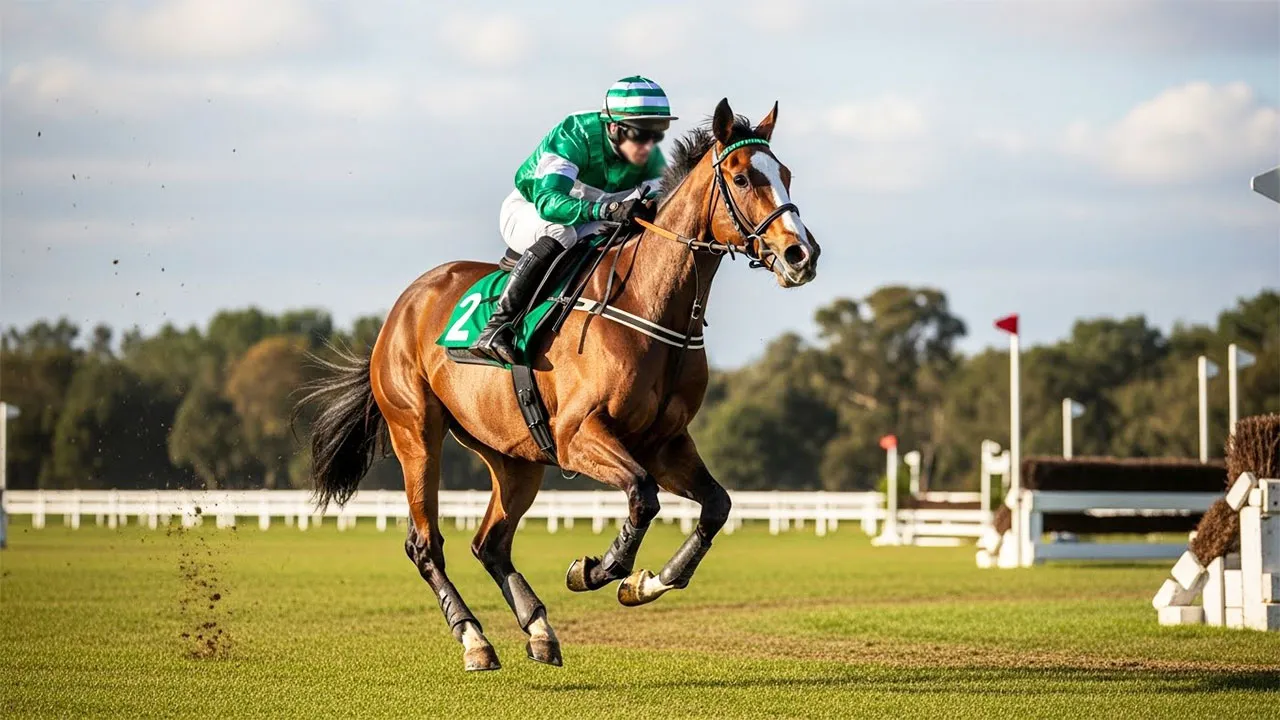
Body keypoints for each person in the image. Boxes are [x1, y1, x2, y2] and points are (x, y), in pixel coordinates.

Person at [469, 76, 676, 365]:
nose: (650, 143)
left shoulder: (648, 159)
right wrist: (606, 210)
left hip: (583, 218)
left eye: (657, 131)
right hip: (530, 210)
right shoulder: (574, 135)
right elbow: (548, 203)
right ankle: (497, 327)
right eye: (641, 132)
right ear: (614, 128)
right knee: (562, 231)